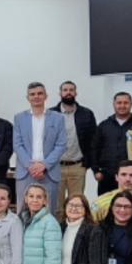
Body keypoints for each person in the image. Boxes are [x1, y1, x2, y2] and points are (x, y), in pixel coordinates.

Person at [13, 82, 66, 215]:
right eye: (32, 94)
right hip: (26, 173)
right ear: (28, 98)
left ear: (46, 96)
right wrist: (31, 167)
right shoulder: (19, 118)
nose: (36, 97)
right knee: (23, 212)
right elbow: (17, 144)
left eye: (39, 93)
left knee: (48, 212)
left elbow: (61, 145)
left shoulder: (58, 118)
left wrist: (44, 165)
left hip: (49, 172)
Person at [49, 81, 96, 219]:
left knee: (77, 205)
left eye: (71, 90)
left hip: (77, 166)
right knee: (56, 207)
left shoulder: (86, 114)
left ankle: (76, 231)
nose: (68, 92)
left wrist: (89, 164)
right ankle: (58, 231)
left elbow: (93, 140)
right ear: (60, 93)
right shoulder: (50, 114)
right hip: (56, 167)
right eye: (65, 90)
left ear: (76, 93)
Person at [91, 92, 132, 196]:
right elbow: (94, 148)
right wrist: (96, 170)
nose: (122, 106)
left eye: (126, 103)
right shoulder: (104, 126)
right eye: (119, 103)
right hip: (107, 177)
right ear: (114, 104)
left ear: (131, 104)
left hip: (131, 178)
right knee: (106, 204)